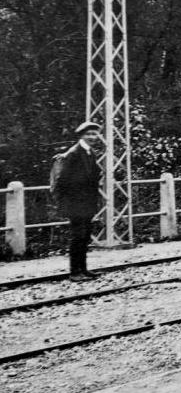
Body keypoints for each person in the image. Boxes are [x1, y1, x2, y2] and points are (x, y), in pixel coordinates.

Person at [56, 121, 102, 282]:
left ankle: (83, 269)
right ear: (81, 135)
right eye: (89, 134)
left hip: (87, 202)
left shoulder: (90, 153)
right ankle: (75, 271)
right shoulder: (74, 153)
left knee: (85, 236)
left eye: (95, 134)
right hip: (75, 202)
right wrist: (70, 199)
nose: (92, 137)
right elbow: (63, 180)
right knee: (77, 236)